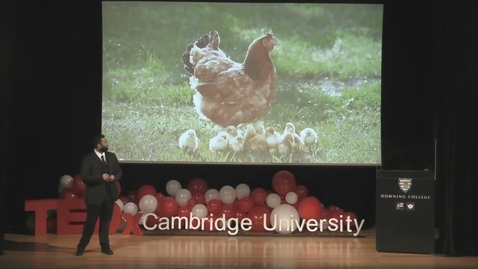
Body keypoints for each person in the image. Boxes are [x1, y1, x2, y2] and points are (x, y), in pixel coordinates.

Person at [76, 134, 122, 256]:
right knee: (90, 223)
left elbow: (119, 171)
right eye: (105, 141)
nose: (107, 143)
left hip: (109, 195)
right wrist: (100, 177)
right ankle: (82, 246)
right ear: (98, 145)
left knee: (106, 223)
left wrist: (114, 177)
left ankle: (105, 246)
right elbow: (85, 177)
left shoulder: (111, 157)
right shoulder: (88, 159)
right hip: (95, 197)